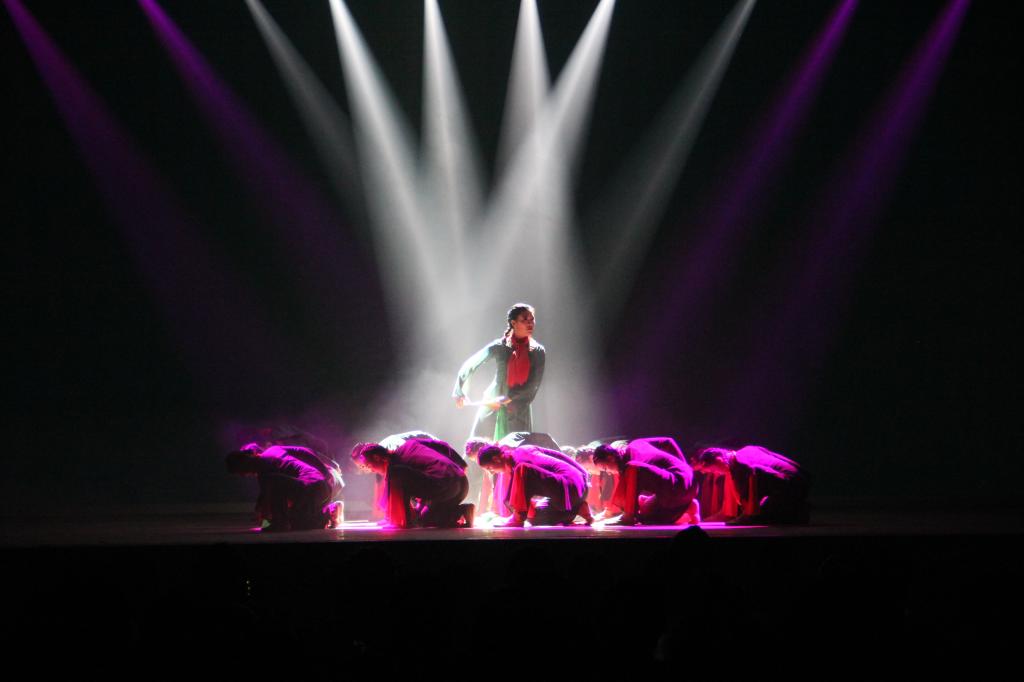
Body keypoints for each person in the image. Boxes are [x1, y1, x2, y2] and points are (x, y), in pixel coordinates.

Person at [453, 303, 545, 442]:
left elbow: (534, 384)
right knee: (480, 445)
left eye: (532, 319)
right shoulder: (501, 346)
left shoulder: (537, 351)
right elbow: (471, 364)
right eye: (525, 320)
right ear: (513, 323)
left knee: (515, 448)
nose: (530, 323)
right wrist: (459, 392)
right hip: (493, 403)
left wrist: (510, 397)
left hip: (518, 407)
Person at [351, 437, 474, 529]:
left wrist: (392, 517)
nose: (371, 470)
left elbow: (391, 491)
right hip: (462, 483)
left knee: (395, 473)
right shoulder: (411, 443)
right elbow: (441, 444)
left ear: (377, 458)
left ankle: (404, 521)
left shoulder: (395, 466)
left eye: (368, 465)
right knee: (425, 519)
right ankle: (461, 511)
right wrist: (460, 463)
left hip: (444, 485)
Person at [226, 444, 343, 531]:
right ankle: (330, 511)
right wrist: (323, 470)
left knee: (273, 482)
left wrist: (266, 519)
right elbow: (304, 451)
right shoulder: (274, 449)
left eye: (242, 470)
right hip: (320, 489)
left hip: (311, 490)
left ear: (249, 458)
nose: (244, 475)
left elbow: (266, 500)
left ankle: (280, 523)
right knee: (298, 524)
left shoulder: (264, 471)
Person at [592, 437, 699, 526]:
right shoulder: (637, 443)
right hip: (688, 485)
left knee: (632, 467)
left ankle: (628, 516)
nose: (609, 473)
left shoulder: (630, 463)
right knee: (645, 516)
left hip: (677, 483)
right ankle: (689, 507)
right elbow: (668, 441)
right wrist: (685, 468)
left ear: (611, 458)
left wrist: (682, 473)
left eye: (605, 468)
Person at [477, 444, 592, 526]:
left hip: (568, 488)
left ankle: (518, 518)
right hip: (578, 488)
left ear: (496, 459)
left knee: (522, 470)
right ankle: (577, 509)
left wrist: (518, 510)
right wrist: (583, 476)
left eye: (489, 468)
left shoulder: (519, 459)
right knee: (535, 517)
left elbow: (524, 478)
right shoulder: (524, 449)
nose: (491, 472)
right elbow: (558, 455)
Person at [690, 446, 810, 524]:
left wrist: (748, 515)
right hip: (801, 479)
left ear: (719, 460)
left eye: (713, 470)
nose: (716, 473)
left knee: (760, 512)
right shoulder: (747, 449)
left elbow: (749, 498)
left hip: (791, 487)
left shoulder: (740, 465)